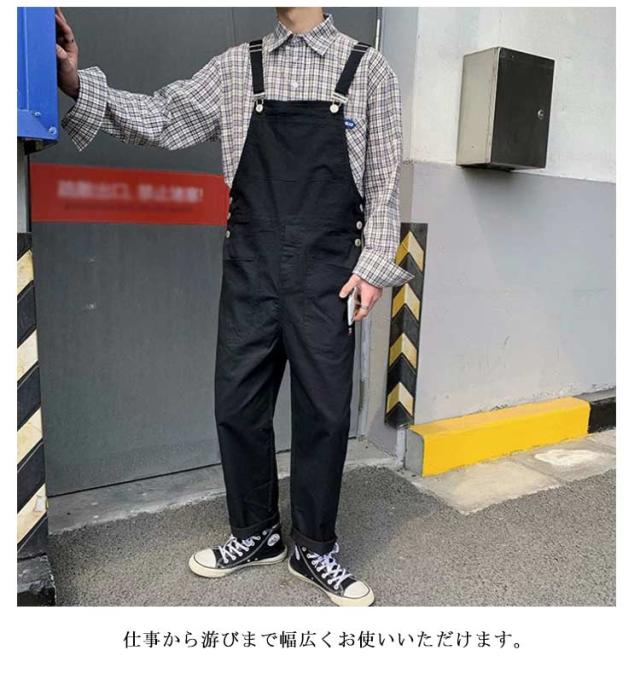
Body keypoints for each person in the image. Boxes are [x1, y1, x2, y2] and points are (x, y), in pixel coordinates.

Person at [55, 6, 414, 607]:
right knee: (238, 404)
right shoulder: (236, 68)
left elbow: (383, 178)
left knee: (325, 411)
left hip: (328, 274)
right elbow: (164, 117)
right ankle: (257, 533)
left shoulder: (368, 69)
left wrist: (374, 264)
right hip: (251, 267)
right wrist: (74, 83)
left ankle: (314, 546)